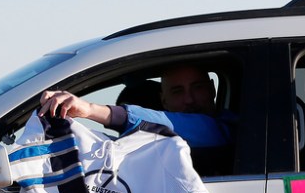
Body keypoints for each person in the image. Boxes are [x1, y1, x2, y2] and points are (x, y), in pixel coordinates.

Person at [39, 64, 232, 149]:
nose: (189, 99)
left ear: (212, 90)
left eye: (197, 88)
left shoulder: (232, 130)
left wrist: (90, 110)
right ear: (163, 100)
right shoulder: (144, 151)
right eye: (177, 91)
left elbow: (177, 124)